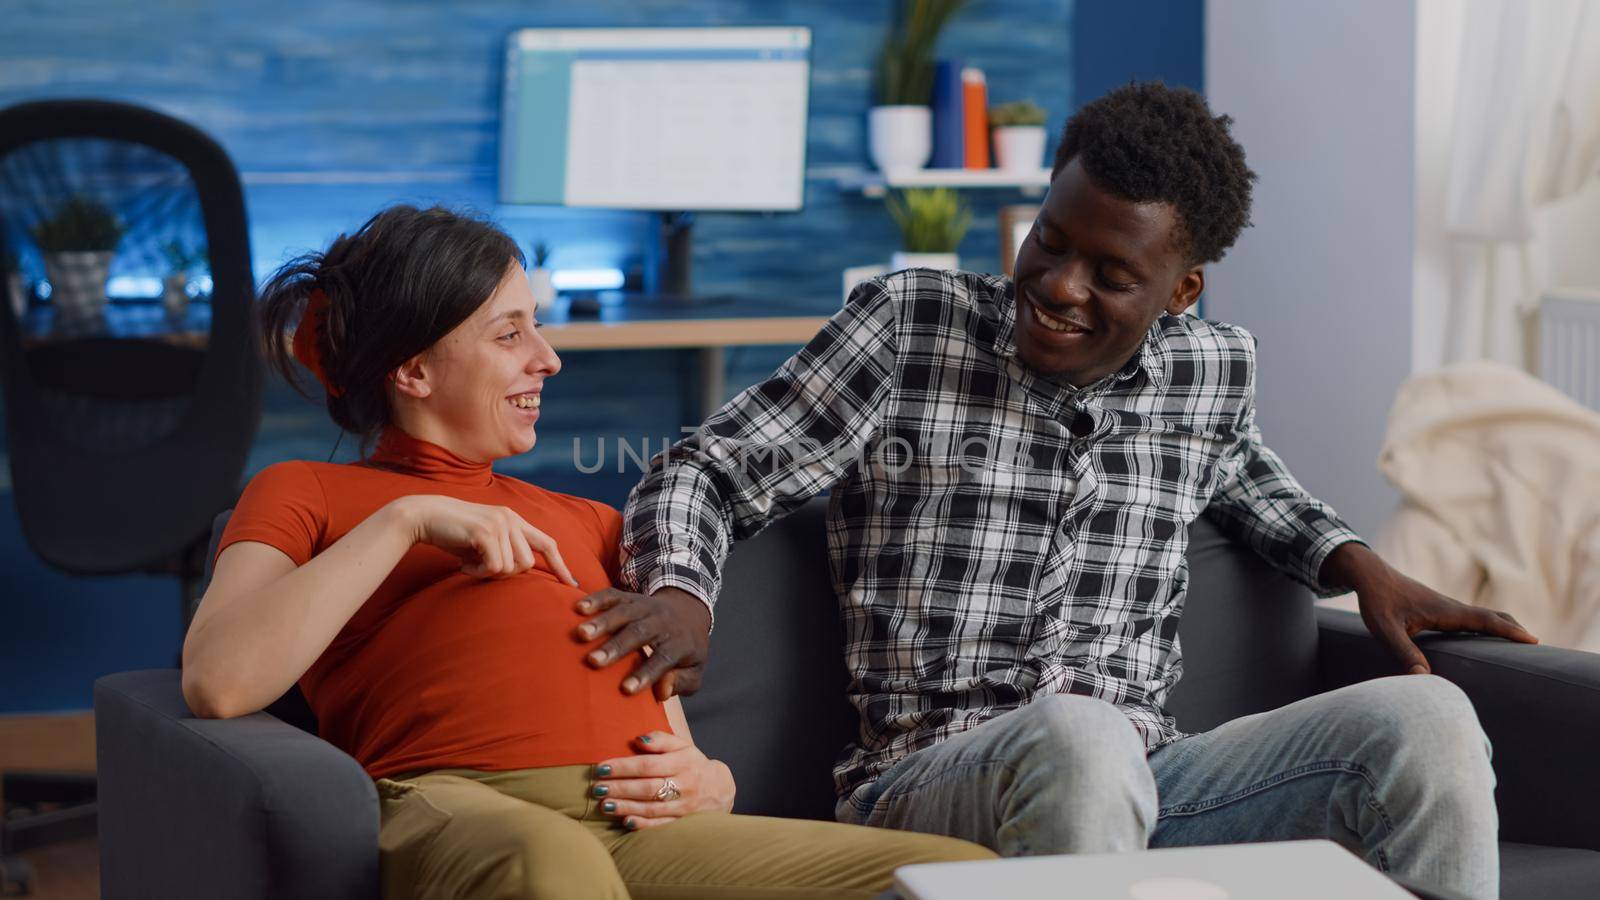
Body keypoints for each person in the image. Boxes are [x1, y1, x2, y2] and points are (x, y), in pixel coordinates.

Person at [587, 84, 1538, 900]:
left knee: (1429, 719)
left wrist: (1359, 564)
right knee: (1081, 739)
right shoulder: (912, 325)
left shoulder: (1208, 371)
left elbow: (1248, 477)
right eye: (1050, 239)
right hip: (926, 773)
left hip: (1153, 775)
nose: (1060, 284)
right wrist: (680, 588)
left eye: (1112, 275)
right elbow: (707, 465)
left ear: (1182, 291)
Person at [180, 205, 993, 900]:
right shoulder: (306, 494)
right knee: (551, 860)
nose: (548, 358)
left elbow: (669, 716)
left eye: (537, 325)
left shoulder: (592, 521)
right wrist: (406, 522)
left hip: (641, 824)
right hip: (460, 807)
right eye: (511, 333)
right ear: (414, 369)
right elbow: (219, 682)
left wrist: (714, 780)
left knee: (958, 875)